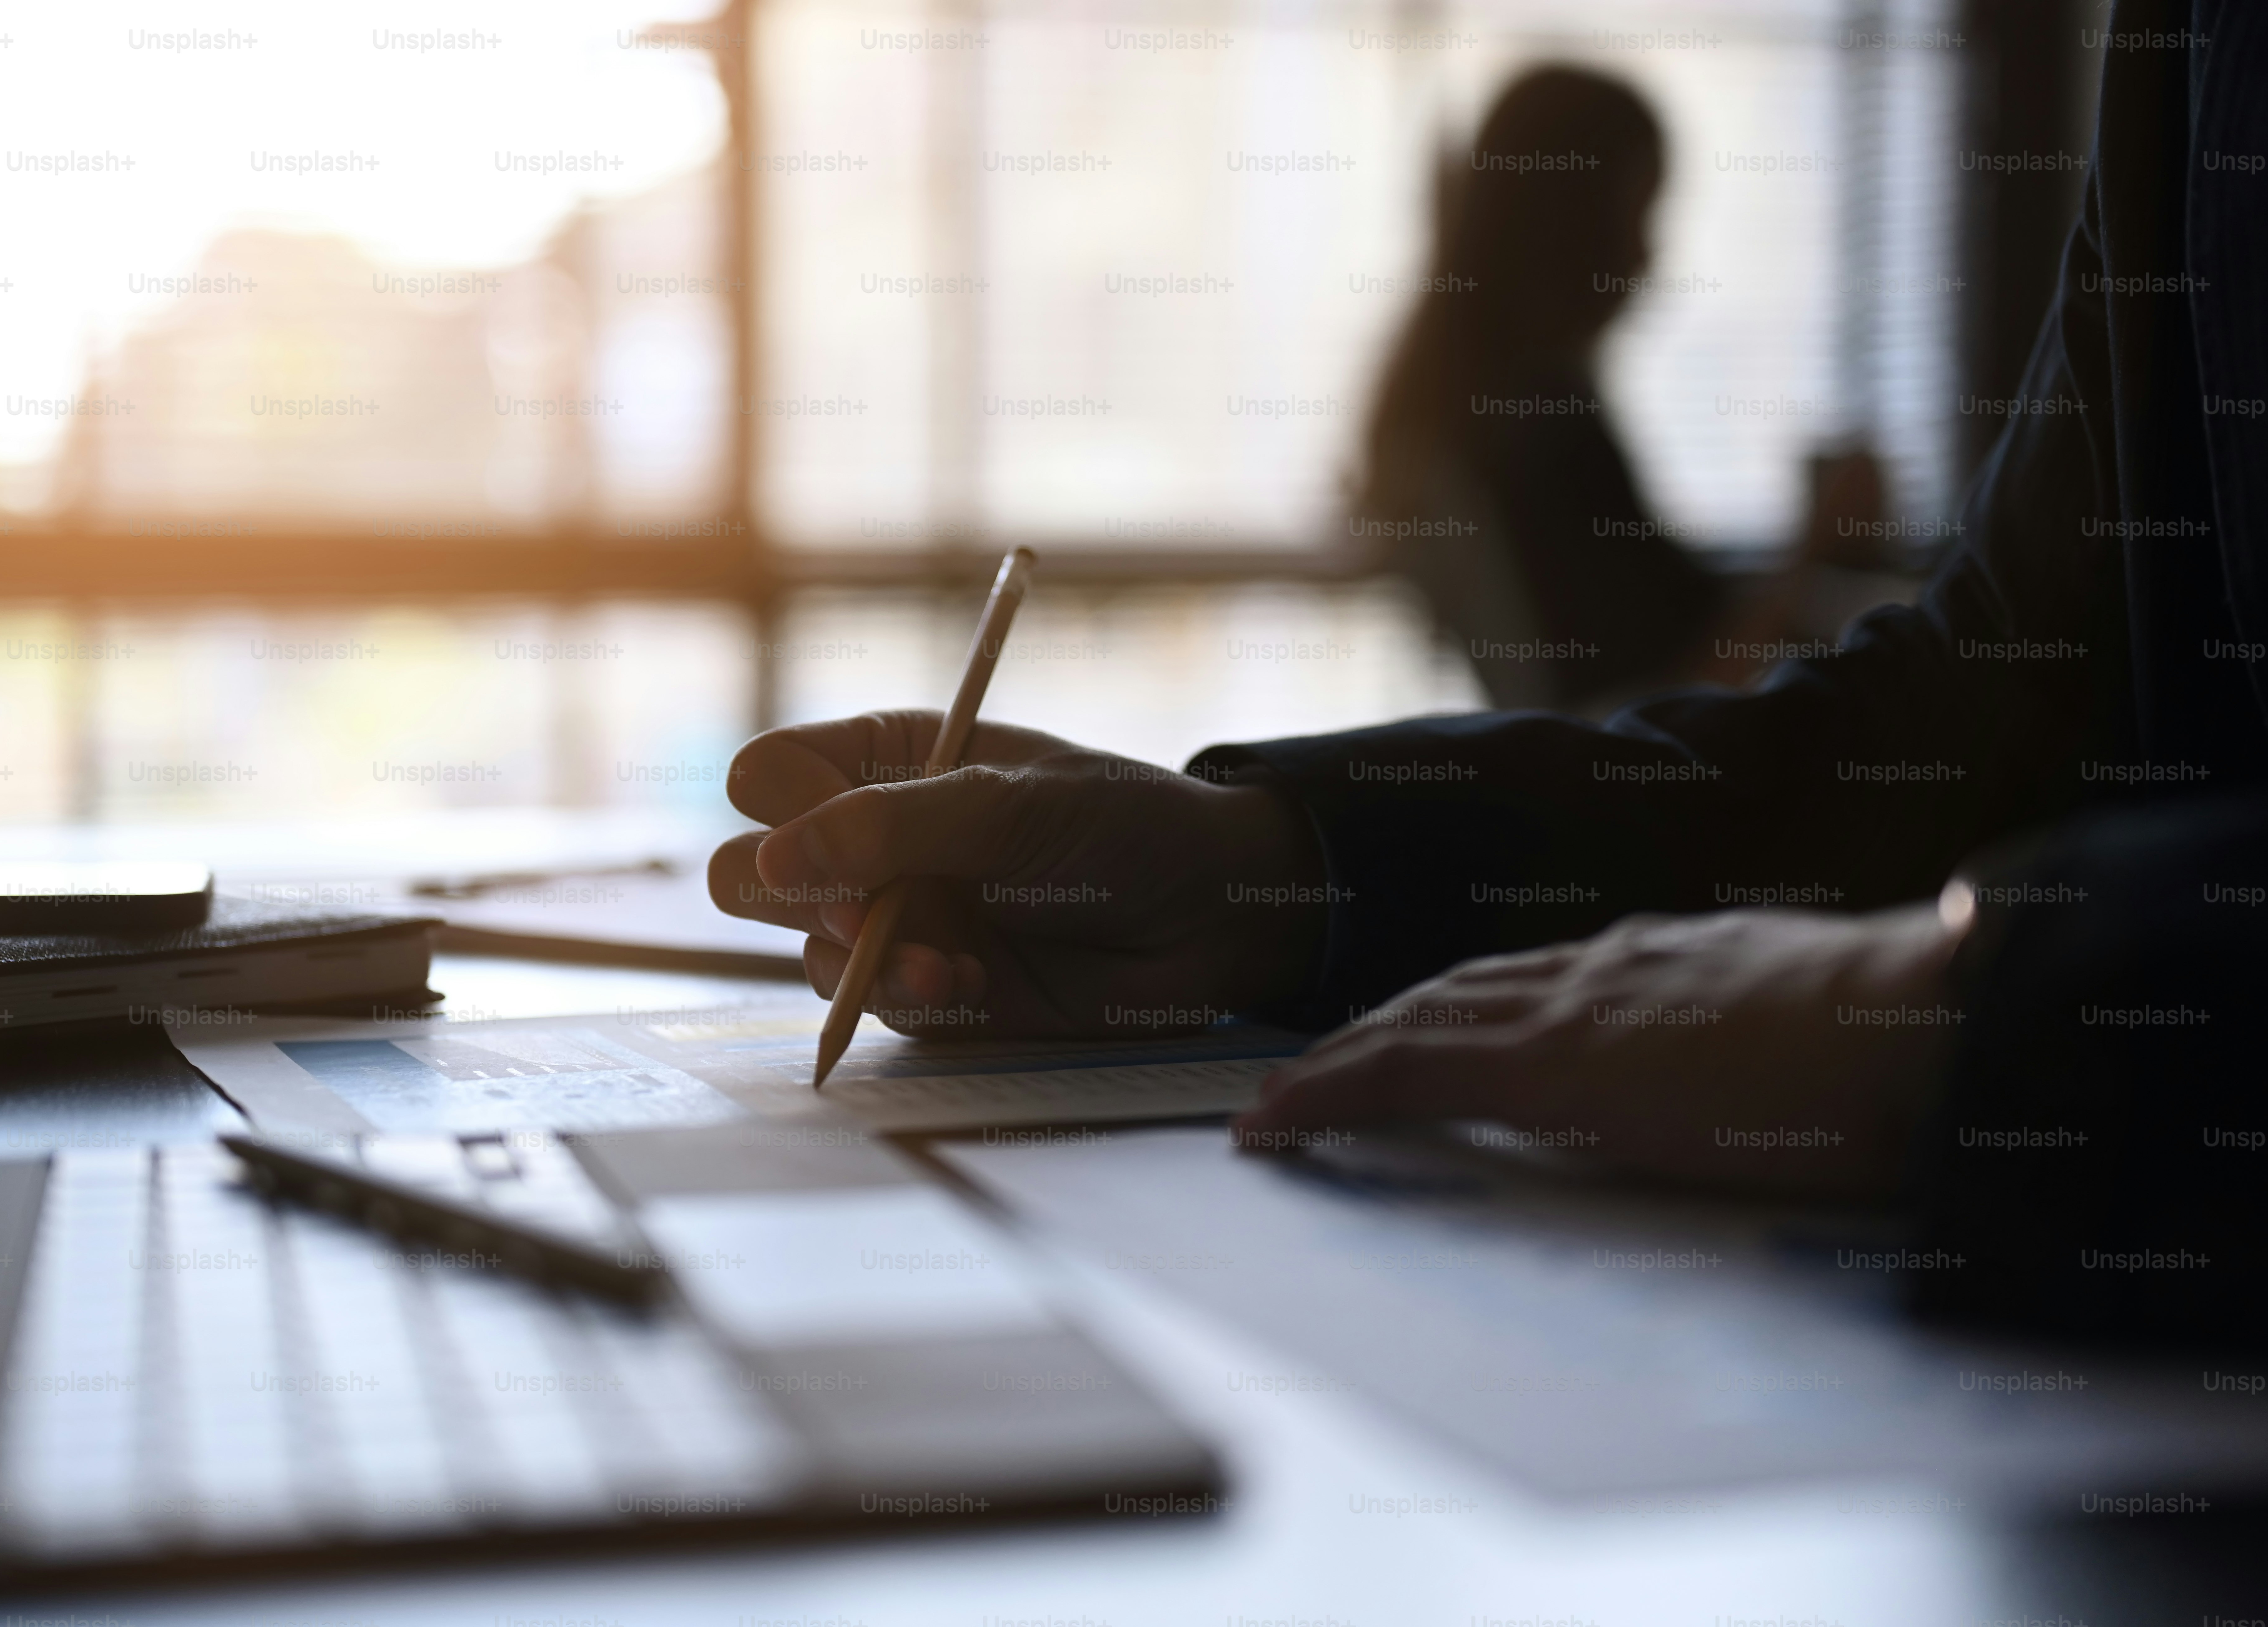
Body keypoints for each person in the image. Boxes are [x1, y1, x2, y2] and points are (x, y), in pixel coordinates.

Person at [714, 0, 2265, 1344]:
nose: (1652, 261)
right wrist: (1270, 872)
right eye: (1638, 217)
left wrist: (1984, 1003)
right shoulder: (1525, 415)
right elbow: (1998, 694)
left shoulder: (1471, 400)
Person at [1354, 65, 1889, 711]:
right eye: (1637, 216)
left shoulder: (1472, 421)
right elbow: (1670, 704)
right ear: (1572, 229)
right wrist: (1817, 543)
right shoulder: (1546, 438)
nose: (1646, 258)